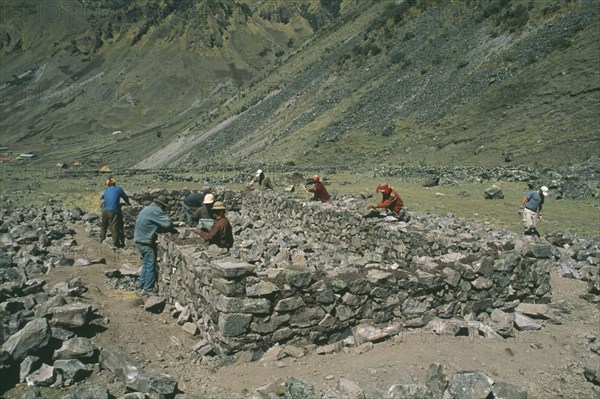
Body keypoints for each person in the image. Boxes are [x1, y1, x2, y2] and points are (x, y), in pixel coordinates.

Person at [134, 195, 178, 295]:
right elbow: (168, 224)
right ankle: (147, 289)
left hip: (139, 239)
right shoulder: (156, 211)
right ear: (160, 204)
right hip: (145, 240)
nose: (164, 208)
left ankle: (141, 282)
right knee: (150, 264)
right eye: (164, 206)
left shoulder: (148, 208)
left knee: (145, 262)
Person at [99, 177, 130, 248]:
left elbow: (103, 197)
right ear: (114, 183)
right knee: (114, 227)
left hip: (104, 210)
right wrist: (127, 203)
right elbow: (125, 197)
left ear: (108, 184)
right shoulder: (118, 189)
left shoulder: (106, 190)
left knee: (104, 226)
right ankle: (116, 244)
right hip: (113, 210)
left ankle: (101, 239)